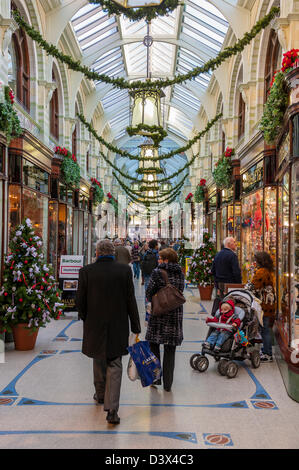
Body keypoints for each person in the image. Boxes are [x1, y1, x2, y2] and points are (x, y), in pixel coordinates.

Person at [76, 239, 141, 424]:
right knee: (115, 363)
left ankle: (100, 394)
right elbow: (130, 300)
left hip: (94, 325)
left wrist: (85, 316)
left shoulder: (86, 271)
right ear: (113, 252)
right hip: (117, 324)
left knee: (98, 358)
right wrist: (135, 325)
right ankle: (112, 409)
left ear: (97, 252)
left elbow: (79, 301)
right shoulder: (124, 271)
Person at [145, 248, 185, 392]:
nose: (158, 260)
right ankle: (168, 384)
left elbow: (149, 292)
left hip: (159, 314)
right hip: (175, 313)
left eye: (160, 258)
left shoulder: (157, 272)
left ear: (166, 259)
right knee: (170, 349)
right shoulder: (180, 272)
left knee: (154, 346)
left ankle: (155, 378)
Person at [248, 251, 276, 362]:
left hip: (264, 305)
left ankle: (267, 353)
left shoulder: (261, 272)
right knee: (266, 329)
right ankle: (266, 350)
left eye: (256, 260)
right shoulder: (268, 271)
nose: (255, 262)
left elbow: (254, 286)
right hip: (269, 304)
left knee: (265, 330)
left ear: (259, 261)